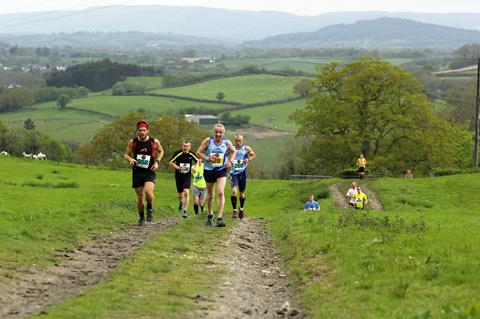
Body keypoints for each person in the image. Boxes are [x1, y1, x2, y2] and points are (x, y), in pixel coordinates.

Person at [124, 120, 164, 225]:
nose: (142, 132)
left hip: (149, 171)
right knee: (140, 196)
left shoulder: (154, 142)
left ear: (147, 131)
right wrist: (130, 159)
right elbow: (126, 154)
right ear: (137, 131)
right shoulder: (132, 142)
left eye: (144, 130)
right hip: (137, 172)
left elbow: (161, 151)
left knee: (148, 193)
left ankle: (149, 209)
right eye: (140, 130)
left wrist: (157, 162)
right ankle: (141, 218)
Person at [196, 123, 236, 227]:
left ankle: (219, 218)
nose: (218, 134)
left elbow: (233, 151)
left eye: (220, 132)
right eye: (216, 132)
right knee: (210, 195)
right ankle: (210, 216)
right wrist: (208, 158)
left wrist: (230, 161)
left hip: (221, 170)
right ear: (214, 132)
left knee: (221, 192)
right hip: (209, 170)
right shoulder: (208, 141)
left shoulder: (227, 142)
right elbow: (198, 153)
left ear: (224, 133)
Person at [169, 141, 198, 218]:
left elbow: (197, 161)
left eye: (187, 146)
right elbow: (171, 162)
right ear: (182, 146)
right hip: (178, 175)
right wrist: (178, 168)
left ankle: (185, 211)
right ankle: (180, 203)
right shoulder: (178, 153)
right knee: (180, 193)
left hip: (187, 176)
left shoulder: (192, 154)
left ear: (190, 147)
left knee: (186, 192)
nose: (185, 147)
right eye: (184, 146)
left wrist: (195, 167)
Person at [229, 134, 255, 219]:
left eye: (240, 141)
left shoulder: (246, 148)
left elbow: (253, 155)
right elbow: (224, 154)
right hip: (233, 173)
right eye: (236, 141)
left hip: (242, 173)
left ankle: (241, 208)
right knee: (234, 192)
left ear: (242, 141)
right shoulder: (232, 148)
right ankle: (234, 210)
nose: (238, 142)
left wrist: (248, 160)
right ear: (235, 141)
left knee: (242, 194)